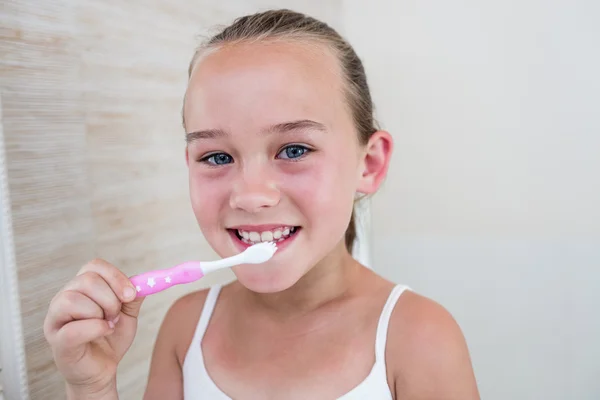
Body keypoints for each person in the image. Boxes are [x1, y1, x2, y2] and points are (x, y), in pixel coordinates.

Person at [43, 9, 480, 400]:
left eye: (293, 150)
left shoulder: (418, 339)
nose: (251, 196)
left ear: (368, 163)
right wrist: (92, 387)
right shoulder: (186, 329)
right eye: (217, 157)